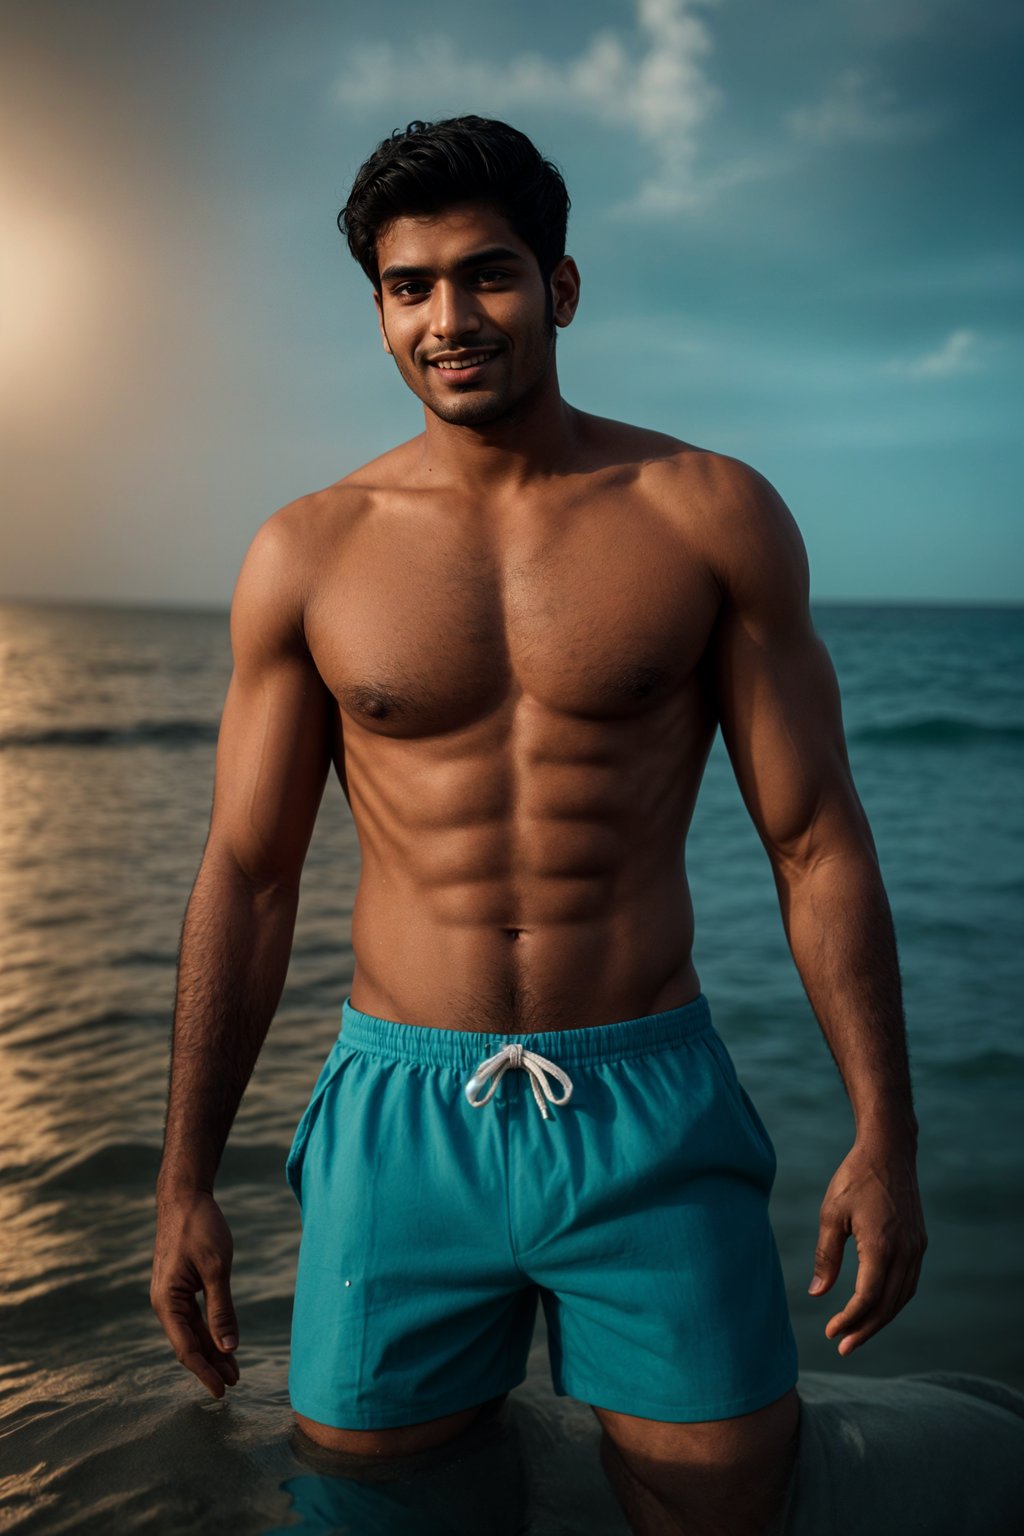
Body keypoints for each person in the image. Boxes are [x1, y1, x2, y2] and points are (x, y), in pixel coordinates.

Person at [150, 116, 927, 1535]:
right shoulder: (308, 552)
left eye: (488, 275)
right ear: (379, 310)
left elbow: (814, 842)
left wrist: (887, 1131)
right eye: (409, 286)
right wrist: (185, 1177)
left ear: (561, 288)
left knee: (719, 1500)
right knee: (373, 1502)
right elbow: (251, 881)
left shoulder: (710, 516)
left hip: (647, 1102)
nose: (450, 319)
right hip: (397, 1119)